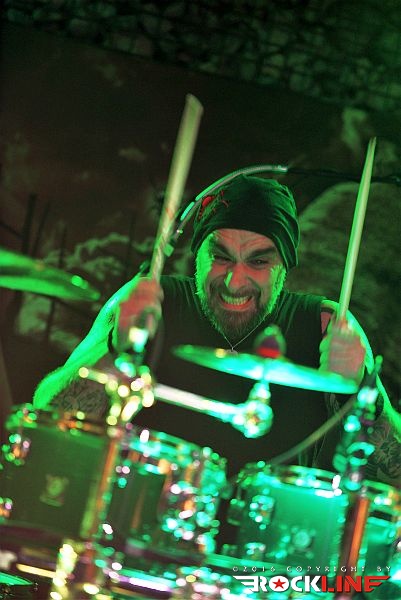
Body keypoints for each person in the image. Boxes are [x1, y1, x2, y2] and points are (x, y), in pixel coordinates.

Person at [33, 175, 401, 488]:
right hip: (135, 531)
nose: (234, 281)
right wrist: (116, 350)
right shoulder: (151, 302)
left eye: (259, 261)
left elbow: (394, 472)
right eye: (221, 256)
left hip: (267, 547)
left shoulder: (325, 326)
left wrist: (364, 389)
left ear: (284, 267)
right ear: (197, 255)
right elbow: (47, 422)